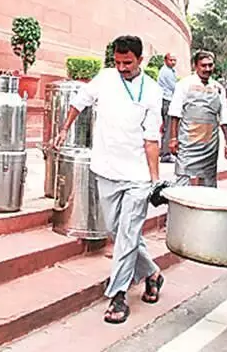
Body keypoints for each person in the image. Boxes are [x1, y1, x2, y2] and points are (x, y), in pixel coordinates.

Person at [55, 35, 164, 325]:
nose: (122, 67)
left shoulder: (152, 91)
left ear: (141, 60)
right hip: (106, 170)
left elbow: (152, 138)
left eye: (127, 63)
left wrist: (154, 181)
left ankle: (117, 295)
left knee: (128, 234)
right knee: (119, 233)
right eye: (117, 62)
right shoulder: (105, 78)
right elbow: (80, 101)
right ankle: (152, 273)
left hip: (138, 177)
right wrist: (65, 128)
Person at [167, 50, 227, 187]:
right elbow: (175, 113)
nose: (207, 69)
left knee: (208, 180)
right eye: (203, 65)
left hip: (210, 143)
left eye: (210, 65)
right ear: (195, 66)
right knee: (183, 178)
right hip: (187, 142)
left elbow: (224, 117)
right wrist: (173, 139)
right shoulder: (184, 85)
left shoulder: (218, 88)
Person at [157, 53, 178, 163]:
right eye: (171, 60)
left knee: (166, 127)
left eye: (175, 60)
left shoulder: (170, 71)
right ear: (165, 60)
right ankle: (166, 154)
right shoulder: (166, 72)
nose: (173, 62)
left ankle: (163, 150)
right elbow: (175, 87)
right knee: (169, 127)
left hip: (167, 100)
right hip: (167, 100)